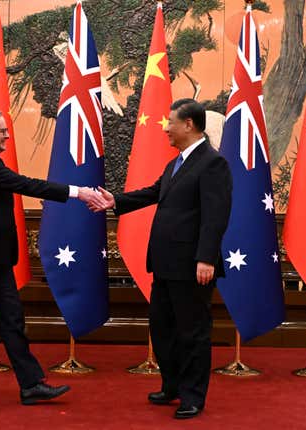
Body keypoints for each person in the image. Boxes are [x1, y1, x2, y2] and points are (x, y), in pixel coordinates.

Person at [0, 109, 105, 407]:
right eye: (1, 130)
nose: (7, 135)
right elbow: (26, 184)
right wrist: (77, 192)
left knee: (12, 320)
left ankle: (30, 385)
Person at [96, 99, 232, 419]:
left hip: (192, 265)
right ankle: (171, 385)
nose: (166, 128)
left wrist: (206, 258)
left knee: (192, 332)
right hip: (165, 263)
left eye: (171, 121)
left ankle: (193, 396)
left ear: (189, 124)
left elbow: (216, 216)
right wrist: (116, 200)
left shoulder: (213, 163)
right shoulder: (176, 164)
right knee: (162, 329)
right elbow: (152, 193)